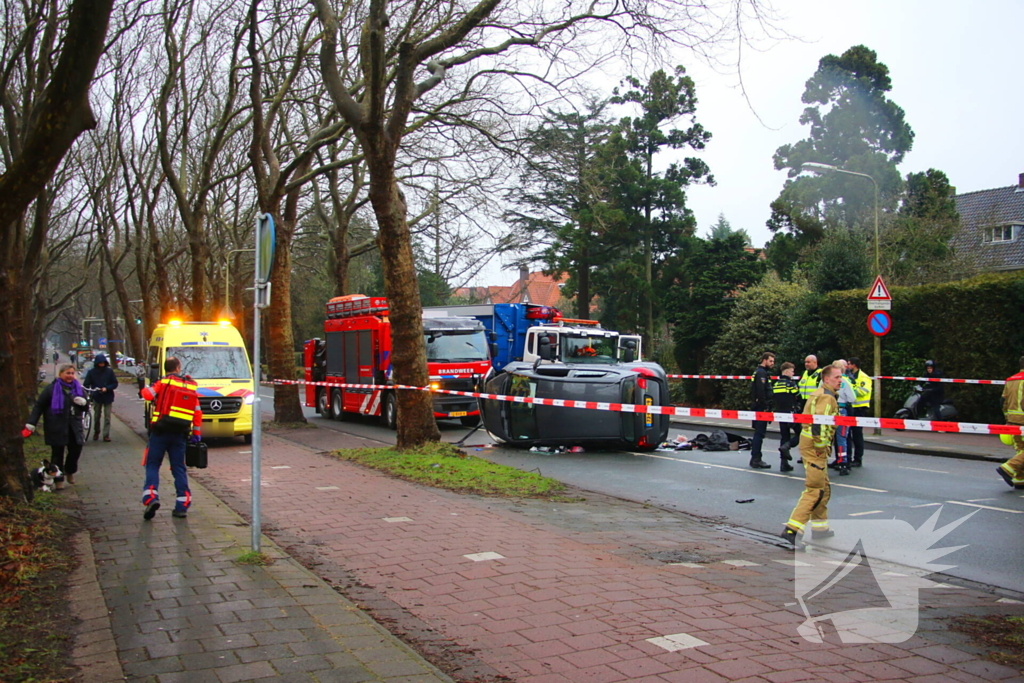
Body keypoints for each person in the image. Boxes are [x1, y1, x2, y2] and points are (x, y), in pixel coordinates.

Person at [781, 364, 841, 548]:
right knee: (815, 489)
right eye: (837, 377)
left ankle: (820, 528)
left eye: (841, 377)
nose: (840, 380)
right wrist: (821, 448)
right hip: (814, 447)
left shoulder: (820, 393)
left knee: (824, 486)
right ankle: (792, 529)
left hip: (810, 444)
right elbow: (819, 424)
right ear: (827, 379)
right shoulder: (826, 397)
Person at [140, 357, 202, 520]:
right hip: (180, 433)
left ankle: (151, 497)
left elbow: (147, 395)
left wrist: (146, 386)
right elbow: (197, 412)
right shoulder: (191, 386)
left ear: (165, 369)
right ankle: (182, 504)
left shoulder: (163, 382)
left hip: (160, 431)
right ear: (178, 367)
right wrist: (196, 434)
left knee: (152, 464)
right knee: (178, 468)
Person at [25, 364, 88, 487]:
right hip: (56, 426)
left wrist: (83, 402)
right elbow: (39, 406)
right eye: (67, 373)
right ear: (60, 374)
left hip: (74, 426)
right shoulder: (51, 389)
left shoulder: (79, 389)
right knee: (57, 453)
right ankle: (59, 480)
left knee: (76, 450)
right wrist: (31, 422)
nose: (70, 376)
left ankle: (69, 471)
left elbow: (85, 407)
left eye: (72, 373)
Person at [781, 355, 823, 459]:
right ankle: (805, 454)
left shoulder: (820, 374)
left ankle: (813, 454)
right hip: (803, 406)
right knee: (804, 432)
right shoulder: (804, 373)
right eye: (805, 362)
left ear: (815, 362)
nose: (806, 364)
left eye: (808, 362)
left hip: (814, 406)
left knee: (814, 432)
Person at [997, 356, 1024, 489]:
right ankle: (1008, 468)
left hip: (1013, 420)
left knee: (1021, 449)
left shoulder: (1010, 380)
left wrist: (1007, 417)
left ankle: (1020, 479)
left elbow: (1003, 401)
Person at [771, 362, 800, 472]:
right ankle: (787, 446)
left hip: (780, 413)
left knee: (784, 436)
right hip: (791, 413)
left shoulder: (777, 384)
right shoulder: (790, 384)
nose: (793, 373)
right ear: (787, 371)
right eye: (792, 371)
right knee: (801, 433)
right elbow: (797, 396)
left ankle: (784, 464)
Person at [829, 360, 856, 476]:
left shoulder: (826, 381)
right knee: (842, 438)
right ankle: (843, 463)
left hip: (828, 411)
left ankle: (825, 461)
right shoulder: (845, 382)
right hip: (841, 410)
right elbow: (852, 398)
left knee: (829, 437)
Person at [83, 353, 118, 442]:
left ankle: (106, 435)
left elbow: (115, 383)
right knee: (97, 416)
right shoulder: (92, 372)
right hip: (97, 396)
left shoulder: (109, 371)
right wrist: (90, 392)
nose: (101, 364)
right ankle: (96, 432)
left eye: (103, 362)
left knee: (107, 417)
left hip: (108, 396)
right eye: (100, 362)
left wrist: (107, 388)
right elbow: (86, 384)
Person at [749, 351, 775, 469]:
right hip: (761, 408)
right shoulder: (761, 373)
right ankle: (756, 459)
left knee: (758, 433)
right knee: (759, 433)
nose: (772, 363)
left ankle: (755, 458)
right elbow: (761, 391)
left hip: (758, 406)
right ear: (764, 360)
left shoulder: (760, 372)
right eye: (770, 361)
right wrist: (765, 406)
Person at [846, 357, 873, 467]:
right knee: (848, 434)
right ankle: (848, 457)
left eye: (849, 364)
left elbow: (863, 391)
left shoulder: (863, 377)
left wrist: (850, 390)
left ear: (854, 365)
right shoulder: (850, 377)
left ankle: (858, 459)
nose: (847, 366)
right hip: (851, 407)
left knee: (857, 434)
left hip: (860, 408)